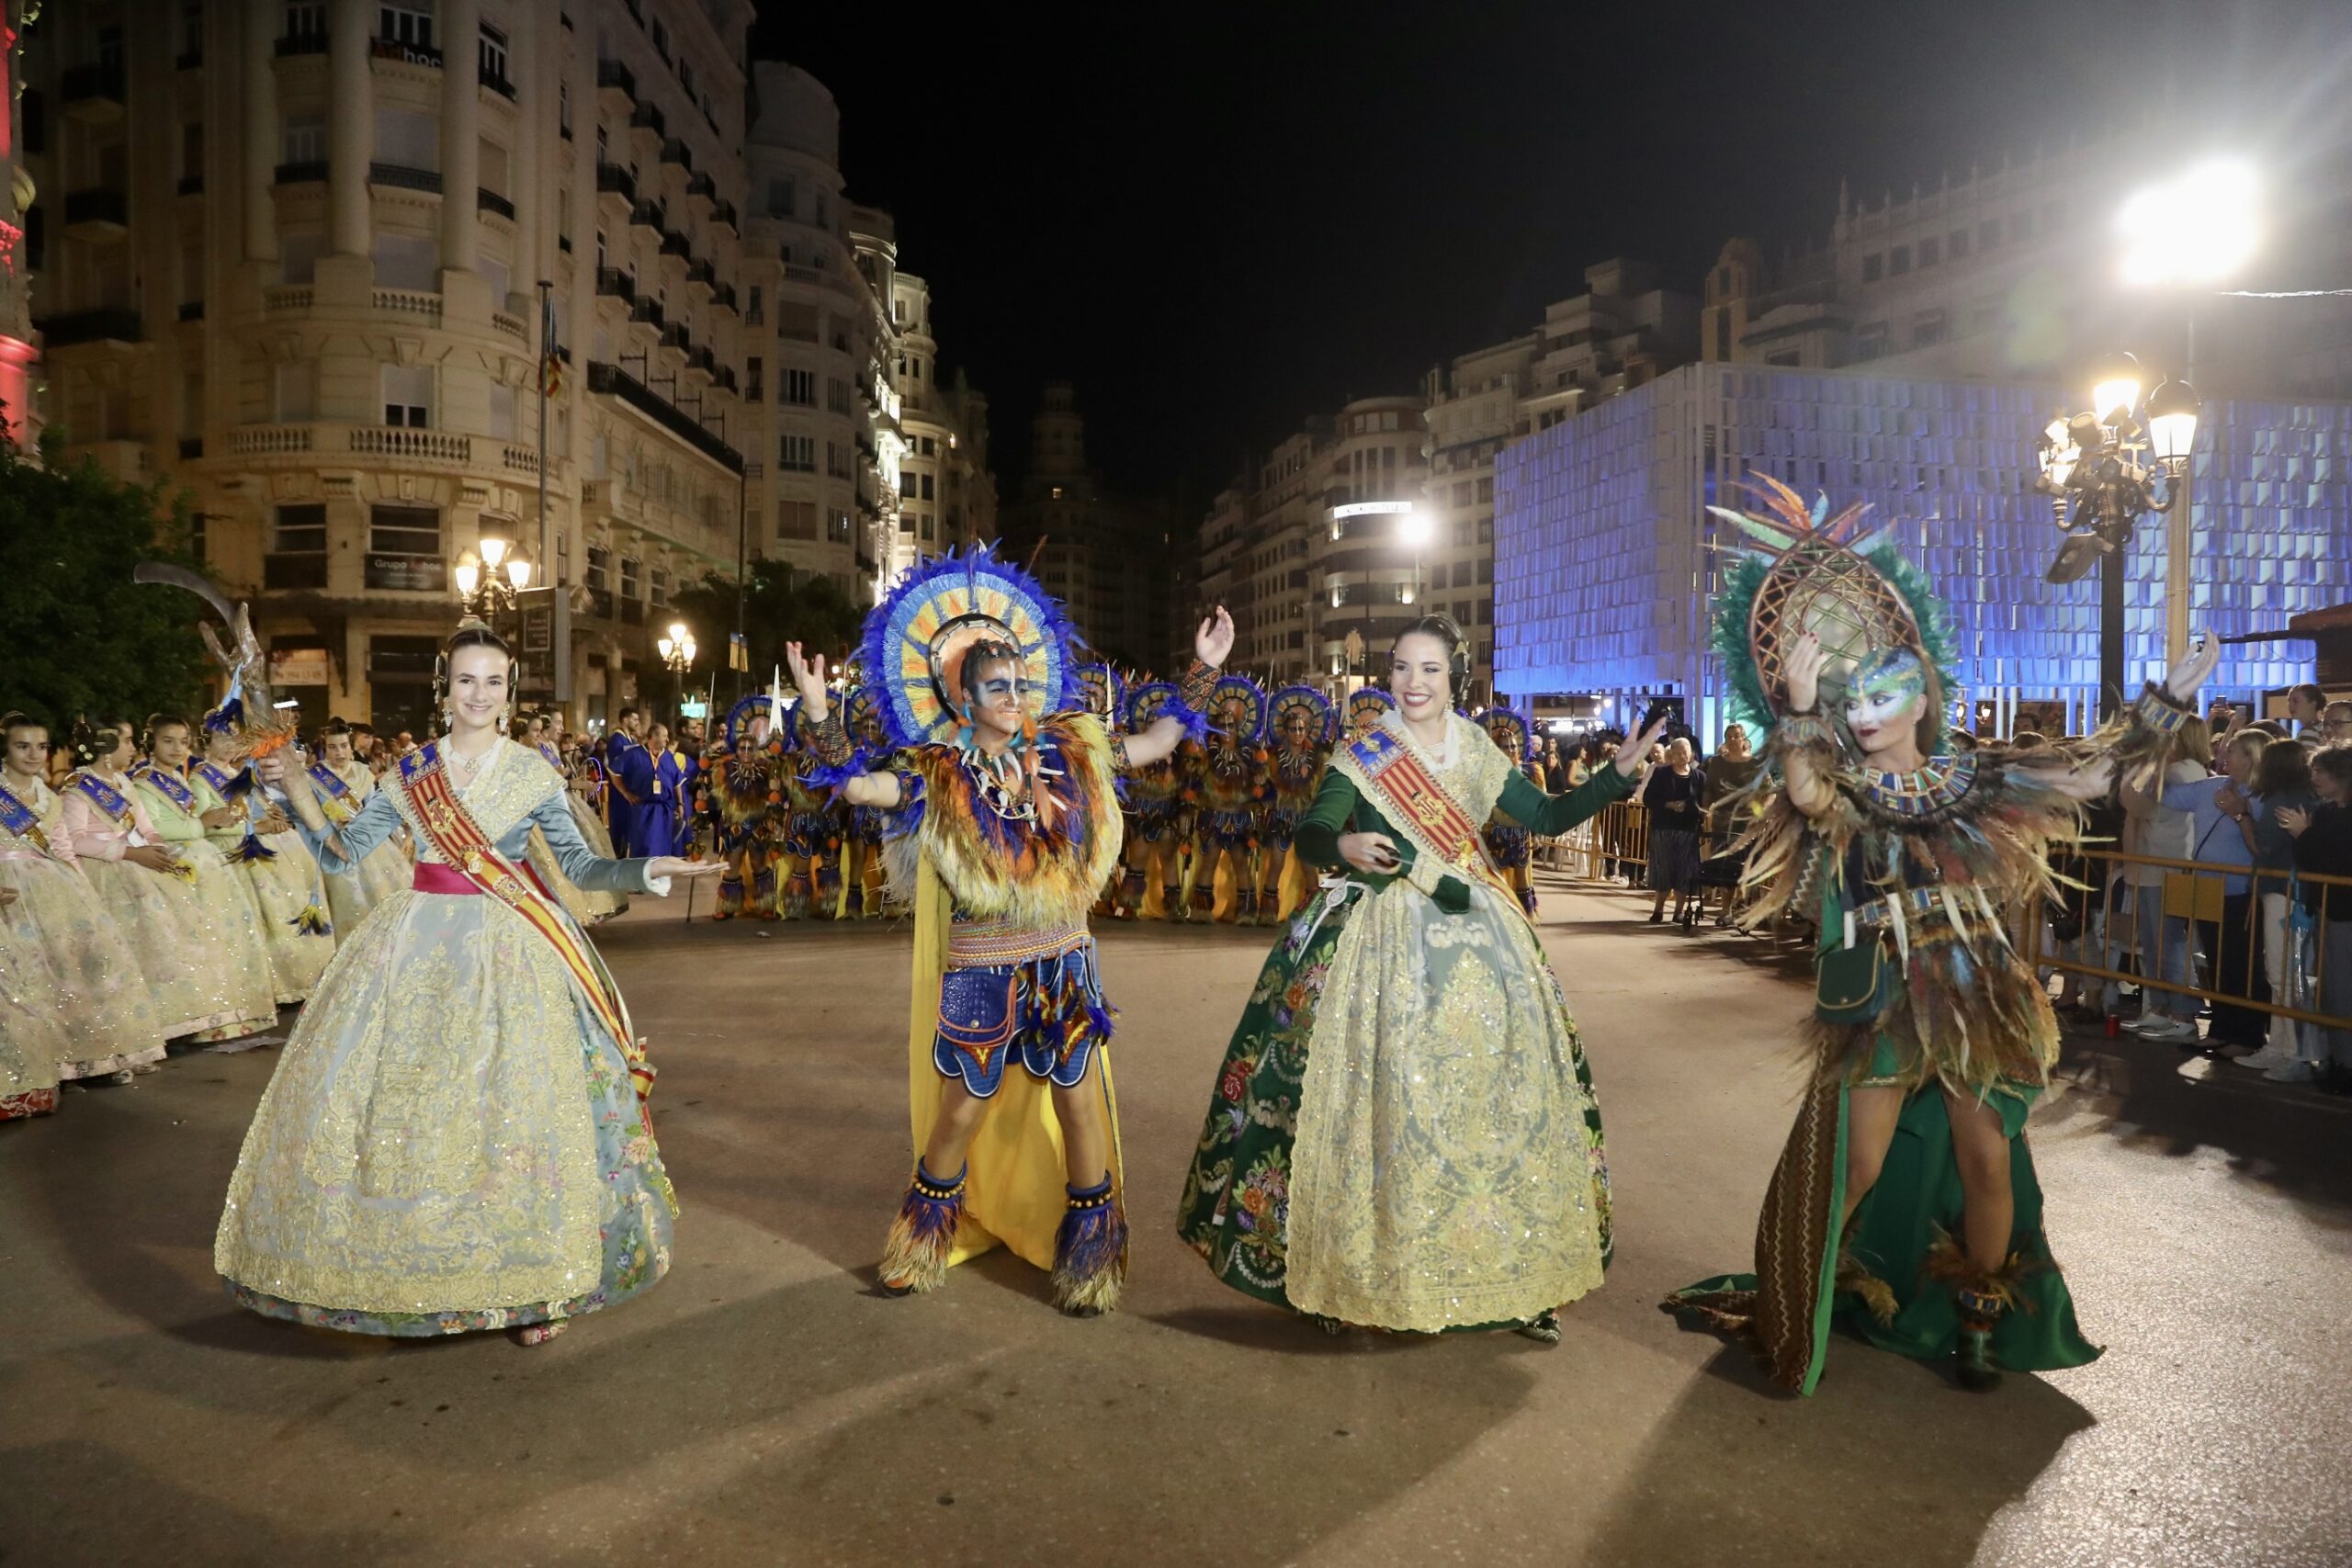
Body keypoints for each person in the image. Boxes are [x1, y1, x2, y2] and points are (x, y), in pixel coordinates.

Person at [1666, 479, 2219, 1393]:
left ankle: (1978, 1320)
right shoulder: (1841, 786)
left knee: (1985, 1159)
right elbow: (1802, 792)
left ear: (1920, 698)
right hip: (1884, 992)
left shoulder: (1975, 775)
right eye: (1854, 699)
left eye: (1884, 691)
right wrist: (1799, 704)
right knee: (1861, 1161)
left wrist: (2163, 705)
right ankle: (1801, 1294)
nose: (1866, 709)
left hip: (1979, 990)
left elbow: (2084, 781)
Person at [218, 623, 718, 1343]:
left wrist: (650, 870)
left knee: (514, 1109)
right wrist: (296, 786)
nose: (478, 694)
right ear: (442, 687)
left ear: (509, 692)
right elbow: (341, 853)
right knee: (408, 1109)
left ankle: (531, 1280)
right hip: (413, 944)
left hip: (510, 945)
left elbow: (580, 870)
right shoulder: (409, 772)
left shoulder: (533, 773)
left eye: (492, 681)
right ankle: (409, 1273)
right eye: (465, 680)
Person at [1181, 614, 1662, 1340]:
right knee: (1375, 1102)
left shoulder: (1475, 748)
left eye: (1429, 669)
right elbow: (1314, 830)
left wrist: (1617, 774)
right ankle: (1349, 1273)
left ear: (1454, 678)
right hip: (1379, 935)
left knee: (1496, 1102)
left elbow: (1551, 814)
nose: (1413, 682)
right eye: (1401, 667)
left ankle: (1515, 1276)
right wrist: (1341, 840)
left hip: (1479, 935)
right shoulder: (1366, 750)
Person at [793, 547, 1232, 1316]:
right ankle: (923, 1239)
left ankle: (1091, 1260)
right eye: (996, 687)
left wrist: (1203, 669)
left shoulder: (1071, 751)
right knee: (962, 1106)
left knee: (1079, 1101)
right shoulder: (939, 775)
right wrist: (820, 710)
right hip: (983, 964)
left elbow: (1158, 742)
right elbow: (859, 786)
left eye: (1020, 683)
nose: (1013, 696)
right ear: (962, 700)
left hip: (1063, 958)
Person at [59, 716, 254, 1056]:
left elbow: (147, 828)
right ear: (106, 751)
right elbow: (74, 840)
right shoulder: (78, 787)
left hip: (139, 859)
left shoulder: (123, 782)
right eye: (128, 741)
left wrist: (159, 850)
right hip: (109, 868)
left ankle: (181, 1017)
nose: (134, 748)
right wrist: (132, 853)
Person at [0, 713, 165, 1106]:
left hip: (54, 890)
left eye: (41, 747)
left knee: (72, 973)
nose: (34, 755)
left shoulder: (50, 798)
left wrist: (84, 894)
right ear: (5, 749)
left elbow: (63, 849)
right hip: (9, 888)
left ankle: (74, 1063)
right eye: (23, 746)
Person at [127, 714, 280, 1046]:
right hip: (180, 861)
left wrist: (216, 821)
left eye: (183, 742)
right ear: (150, 742)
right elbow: (155, 827)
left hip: (206, 862)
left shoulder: (178, 780)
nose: (177, 748)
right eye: (168, 741)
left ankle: (227, 1011)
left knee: (224, 935)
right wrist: (204, 824)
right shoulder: (144, 782)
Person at [194, 707, 334, 1008]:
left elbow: (251, 810)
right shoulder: (200, 777)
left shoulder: (235, 773)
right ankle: (275, 981)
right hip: (228, 848)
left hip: (251, 837)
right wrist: (260, 826)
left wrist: (272, 818)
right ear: (208, 739)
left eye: (235, 734)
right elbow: (206, 824)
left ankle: (299, 976)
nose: (232, 741)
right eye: (225, 735)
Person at [2153, 728, 2271, 1053]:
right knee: (2216, 962)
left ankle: (2247, 1035)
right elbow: (2163, 795)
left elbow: (2263, 845)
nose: (2222, 754)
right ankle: (2221, 1028)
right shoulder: (2208, 788)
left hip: (2242, 891)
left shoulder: (2262, 797)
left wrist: (2239, 811)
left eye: (2232, 750)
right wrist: (2152, 759)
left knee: (2241, 964)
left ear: (2251, 757)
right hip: (2206, 887)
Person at [2118, 718, 2211, 1043]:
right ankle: (2160, 1008)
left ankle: (2182, 1013)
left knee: (2168, 941)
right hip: (2149, 863)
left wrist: (2141, 766)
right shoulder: (2172, 769)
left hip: (2166, 864)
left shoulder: (2181, 771)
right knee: (2152, 940)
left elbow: (2137, 803)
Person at [2240, 738, 2316, 1078]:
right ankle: (2280, 1045)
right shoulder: (2301, 797)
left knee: (2282, 972)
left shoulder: (2281, 801)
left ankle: (2290, 1049)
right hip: (2289, 890)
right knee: (2283, 973)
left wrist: (2242, 819)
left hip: (2283, 891)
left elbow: (2265, 848)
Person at [2278, 744, 2352, 1092]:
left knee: (2343, 989)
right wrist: (2305, 836)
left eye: (2321, 771)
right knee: (2331, 989)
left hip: (2344, 910)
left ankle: (2346, 1063)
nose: (2315, 777)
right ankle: (2338, 1058)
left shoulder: (2339, 816)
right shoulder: (2325, 812)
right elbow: (2313, 860)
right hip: (2327, 906)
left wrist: (2303, 835)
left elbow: (2334, 861)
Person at [302, 717, 413, 931]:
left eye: (343, 746)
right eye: (332, 747)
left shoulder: (363, 773)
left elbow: (372, 808)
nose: (339, 753)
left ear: (350, 746)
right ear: (325, 748)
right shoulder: (313, 775)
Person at [1256, 686, 1335, 924]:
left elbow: (1324, 787)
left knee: (1309, 867)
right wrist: (1260, 777)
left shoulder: (1318, 757)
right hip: (1282, 815)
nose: (1298, 733)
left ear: (1308, 729)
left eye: (1301, 729)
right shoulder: (1272, 755)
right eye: (1293, 729)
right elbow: (1265, 787)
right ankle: (1268, 913)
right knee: (1275, 865)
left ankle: (1312, 915)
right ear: (1286, 731)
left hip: (1305, 815)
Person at [1642, 736, 1704, 927]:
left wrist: (1690, 807)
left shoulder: (1699, 777)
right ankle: (1658, 909)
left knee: (1683, 873)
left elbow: (1704, 803)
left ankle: (1679, 911)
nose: (1681, 755)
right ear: (1671, 754)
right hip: (1663, 828)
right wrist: (1668, 805)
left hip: (1687, 830)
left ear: (1691, 754)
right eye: (1677, 752)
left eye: (1684, 752)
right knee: (1663, 870)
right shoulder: (1661, 774)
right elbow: (1648, 798)